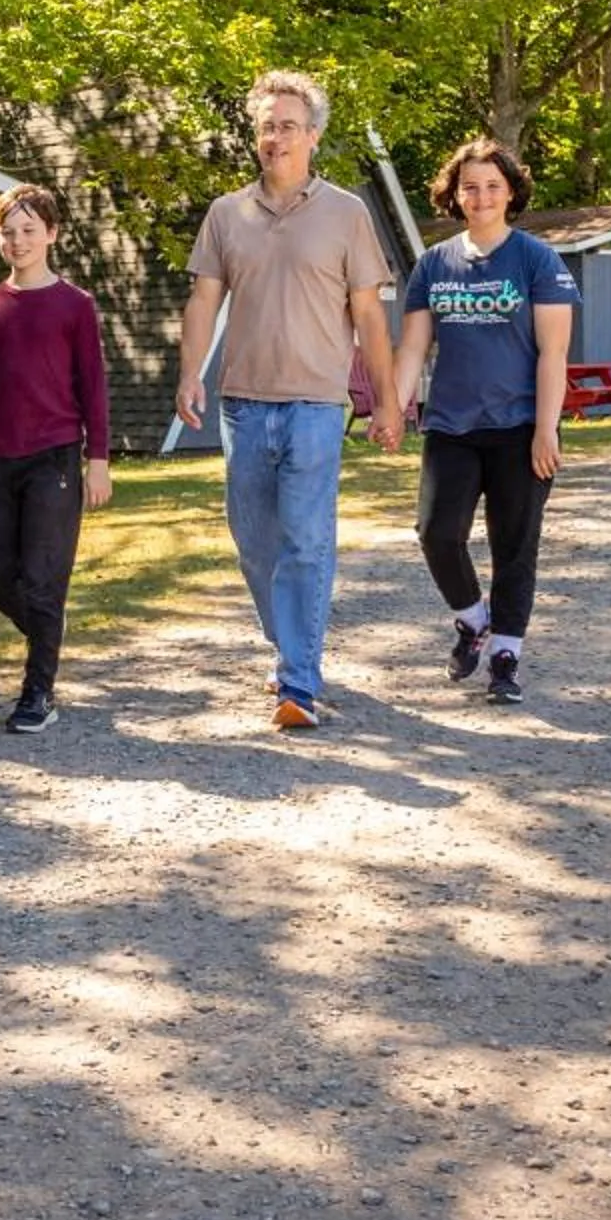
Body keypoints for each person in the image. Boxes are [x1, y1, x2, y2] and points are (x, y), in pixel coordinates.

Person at [175, 70, 400, 730]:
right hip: (242, 403)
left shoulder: (346, 214)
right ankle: (291, 648)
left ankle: (298, 682)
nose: (277, 136)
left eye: (289, 125)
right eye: (267, 125)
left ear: (314, 135)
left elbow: (370, 316)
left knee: (305, 540)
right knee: (254, 541)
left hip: (317, 405)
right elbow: (203, 300)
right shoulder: (227, 214)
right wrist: (191, 373)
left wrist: (386, 402)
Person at [388, 137, 577, 704]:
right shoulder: (433, 265)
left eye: (493, 185)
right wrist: (392, 410)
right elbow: (413, 349)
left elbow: (554, 353)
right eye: (470, 186)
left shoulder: (537, 260)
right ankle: (474, 620)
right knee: (436, 533)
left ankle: (505, 660)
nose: (482, 195)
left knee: (514, 545)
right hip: (452, 426)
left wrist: (547, 428)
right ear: (455, 194)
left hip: (522, 427)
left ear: (511, 191)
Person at [0, 184, 113, 734]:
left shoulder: (75, 306)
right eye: (8, 231)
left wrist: (98, 458)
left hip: (56, 458)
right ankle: (49, 631)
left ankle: (37, 689)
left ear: (51, 234)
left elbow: (93, 387)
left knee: (43, 579)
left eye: (28, 230)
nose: (17, 241)